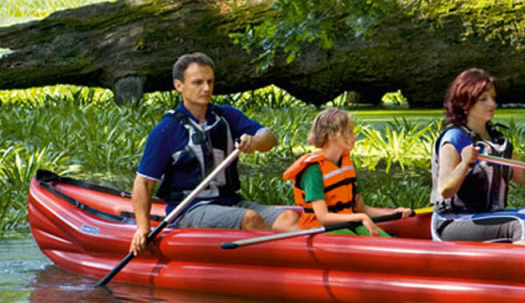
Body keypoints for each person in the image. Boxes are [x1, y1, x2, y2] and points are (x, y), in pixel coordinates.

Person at [129, 52, 299, 255]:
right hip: (189, 210)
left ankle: (307, 263)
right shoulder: (166, 130)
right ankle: (282, 264)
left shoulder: (226, 116)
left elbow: (269, 138)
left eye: (210, 82)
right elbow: (143, 183)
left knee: (289, 218)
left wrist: (255, 142)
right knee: (250, 218)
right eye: (198, 82)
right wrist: (143, 227)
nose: (206, 88)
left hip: (230, 201)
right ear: (179, 85)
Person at [430, 68, 525, 244]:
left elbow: (523, 175)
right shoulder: (454, 138)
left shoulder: (497, 140)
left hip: (488, 215)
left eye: (493, 98)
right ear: (465, 103)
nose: (492, 104)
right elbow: (445, 190)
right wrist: (465, 163)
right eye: (483, 99)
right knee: (520, 224)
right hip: (452, 221)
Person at [283, 107, 412, 236]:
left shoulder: (347, 164)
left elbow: (362, 209)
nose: (354, 136)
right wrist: (360, 217)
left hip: (350, 223)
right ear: (331, 134)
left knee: (384, 240)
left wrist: (394, 213)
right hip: (321, 228)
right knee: (357, 237)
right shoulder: (313, 170)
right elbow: (323, 217)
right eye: (348, 132)